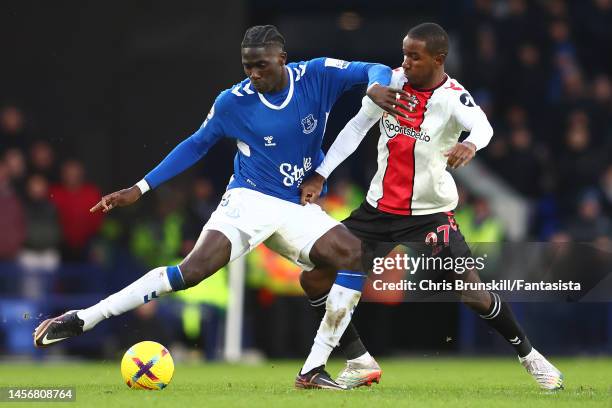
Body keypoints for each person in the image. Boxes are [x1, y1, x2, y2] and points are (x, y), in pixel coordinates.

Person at [33, 25, 412, 390]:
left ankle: (343, 362)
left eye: (261, 65)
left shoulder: (315, 75)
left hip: (295, 205)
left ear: (282, 58)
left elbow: (373, 69)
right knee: (191, 273)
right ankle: (83, 318)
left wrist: (376, 86)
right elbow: (196, 144)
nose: (253, 74)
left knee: (352, 255)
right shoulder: (233, 101)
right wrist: (140, 187)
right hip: (248, 200)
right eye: (247, 65)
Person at [298, 23, 564, 390]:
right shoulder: (391, 83)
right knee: (314, 276)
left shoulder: (453, 97)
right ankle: (358, 359)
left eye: (414, 56)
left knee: (471, 292)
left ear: (439, 59)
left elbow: (483, 127)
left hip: (428, 216)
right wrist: (320, 174)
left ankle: (531, 357)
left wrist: (471, 145)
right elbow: (356, 128)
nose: (405, 63)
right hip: (377, 212)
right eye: (404, 53)